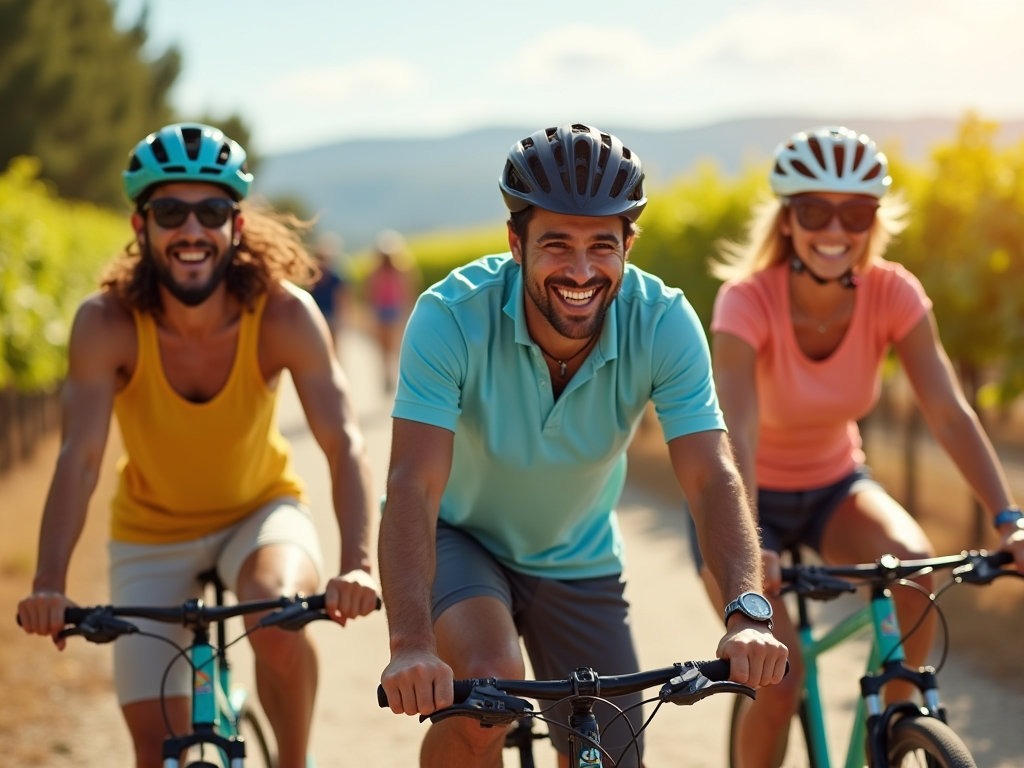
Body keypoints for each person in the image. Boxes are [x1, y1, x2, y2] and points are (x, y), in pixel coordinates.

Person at [376, 123, 788, 768]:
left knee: (611, 752)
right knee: (489, 689)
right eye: (556, 244)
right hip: (459, 538)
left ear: (628, 245)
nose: (580, 270)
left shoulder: (663, 321)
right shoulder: (449, 316)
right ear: (516, 243)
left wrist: (747, 614)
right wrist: (410, 646)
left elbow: (712, 477)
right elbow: (412, 485)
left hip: (578, 553)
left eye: (602, 245)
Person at [16, 122, 380, 768]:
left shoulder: (285, 313)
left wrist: (356, 563)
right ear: (140, 226)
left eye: (211, 212)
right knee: (154, 750)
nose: (191, 230)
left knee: (277, 618)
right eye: (169, 213)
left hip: (260, 513)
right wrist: (49, 582)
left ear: (235, 226)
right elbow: (81, 458)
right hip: (150, 530)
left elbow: (343, 440)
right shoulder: (106, 322)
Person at [704, 125, 1024, 768]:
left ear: (874, 221)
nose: (835, 229)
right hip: (742, 498)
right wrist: (751, 544)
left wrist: (1009, 519)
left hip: (834, 487)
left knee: (916, 568)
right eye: (813, 211)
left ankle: (897, 731)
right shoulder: (746, 301)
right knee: (779, 680)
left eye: (855, 213)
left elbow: (949, 413)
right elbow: (737, 433)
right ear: (787, 220)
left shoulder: (893, 291)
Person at [363, 229, 416, 392]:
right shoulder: (391, 271)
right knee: (387, 345)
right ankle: (389, 375)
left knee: (389, 346)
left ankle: (390, 375)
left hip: (390, 310)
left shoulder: (396, 271)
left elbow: (406, 291)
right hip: (387, 310)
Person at [308, 230, 349, 349]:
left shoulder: (335, 278)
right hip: (315, 317)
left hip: (330, 317)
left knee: (332, 346)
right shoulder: (312, 277)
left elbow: (341, 298)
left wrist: (341, 318)